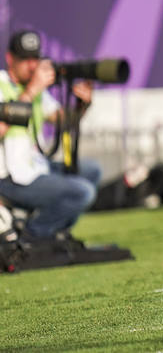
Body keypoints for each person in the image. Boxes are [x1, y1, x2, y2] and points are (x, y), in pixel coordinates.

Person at [0, 30, 101, 240]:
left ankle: (55, 231)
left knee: (92, 171)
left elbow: (64, 121)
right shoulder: (2, 84)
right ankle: (31, 237)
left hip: (35, 167)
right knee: (82, 192)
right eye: (24, 59)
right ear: (10, 58)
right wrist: (30, 92)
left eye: (35, 59)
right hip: (10, 178)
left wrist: (82, 105)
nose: (31, 66)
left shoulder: (33, 88)